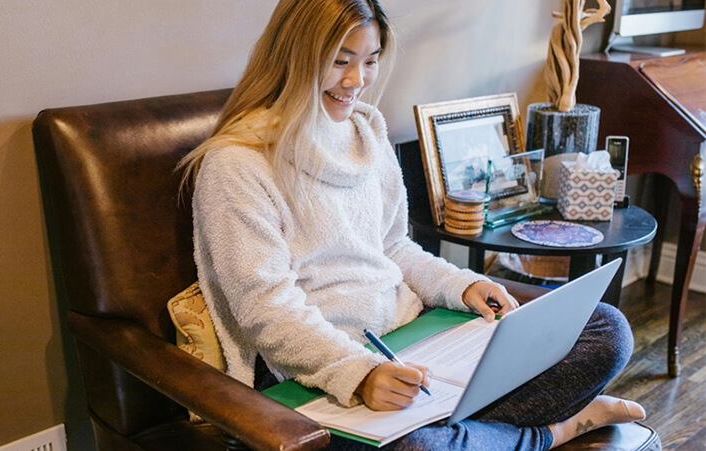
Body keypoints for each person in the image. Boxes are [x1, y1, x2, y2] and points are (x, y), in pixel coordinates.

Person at [178, 0, 645, 449]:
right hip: (310, 368)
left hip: (412, 337)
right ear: (294, 56)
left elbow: (394, 247)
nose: (356, 80)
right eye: (340, 61)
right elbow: (265, 306)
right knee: (419, 448)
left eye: (370, 60)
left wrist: (460, 286)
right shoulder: (237, 165)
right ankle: (552, 432)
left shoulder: (365, 132)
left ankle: (462, 428)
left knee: (606, 330)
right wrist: (357, 375)